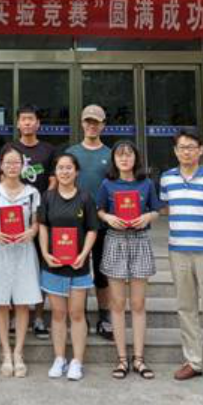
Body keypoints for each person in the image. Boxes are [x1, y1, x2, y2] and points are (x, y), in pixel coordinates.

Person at [160, 131, 203, 388]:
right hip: (178, 250)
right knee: (186, 306)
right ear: (175, 151)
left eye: (191, 147)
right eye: (181, 147)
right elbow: (166, 208)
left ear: (200, 150)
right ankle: (193, 361)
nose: (186, 151)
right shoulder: (167, 178)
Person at [96, 140, 161, 381]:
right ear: (114, 159)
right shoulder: (107, 184)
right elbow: (99, 210)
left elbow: (157, 209)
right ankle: (122, 358)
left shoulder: (146, 183)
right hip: (115, 240)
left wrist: (148, 217)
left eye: (129, 155)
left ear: (136, 158)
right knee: (117, 303)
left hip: (140, 240)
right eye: (120, 155)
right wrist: (108, 218)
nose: (124, 159)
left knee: (138, 303)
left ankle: (139, 359)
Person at [37, 153, 100, 382]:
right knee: (58, 314)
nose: (64, 172)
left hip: (78, 265)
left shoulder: (85, 197)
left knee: (76, 313)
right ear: (55, 172)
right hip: (53, 264)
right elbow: (42, 226)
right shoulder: (47, 197)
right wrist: (45, 253)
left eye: (69, 168)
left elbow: (92, 229)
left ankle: (77, 361)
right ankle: (60, 358)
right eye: (60, 168)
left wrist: (84, 254)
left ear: (76, 171)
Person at [0, 146, 42, 378]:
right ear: (1, 165)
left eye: (16, 162)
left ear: (23, 165)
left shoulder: (32, 193)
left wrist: (31, 232)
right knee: (1, 302)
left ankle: (18, 352)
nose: (12, 166)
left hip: (24, 251)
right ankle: (5, 352)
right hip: (0, 251)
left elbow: (36, 223)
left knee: (22, 302)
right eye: (8, 162)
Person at [65, 104, 113, 339]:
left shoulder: (111, 154)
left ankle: (104, 317)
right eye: (88, 121)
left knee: (102, 273)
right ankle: (79, 317)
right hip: (76, 224)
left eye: (96, 122)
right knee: (78, 271)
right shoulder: (72, 153)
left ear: (103, 125)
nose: (92, 125)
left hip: (103, 223)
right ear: (82, 123)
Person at [9, 104, 57, 339]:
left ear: (38, 124)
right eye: (23, 119)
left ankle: (38, 317)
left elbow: (53, 181)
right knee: (14, 265)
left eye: (31, 119)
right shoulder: (10, 148)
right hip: (13, 214)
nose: (27, 123)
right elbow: (4, 177)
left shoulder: (48, 150)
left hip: (40, 214)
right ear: (18, 123)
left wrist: (42, 205)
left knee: (40, 265)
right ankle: (14, 315)